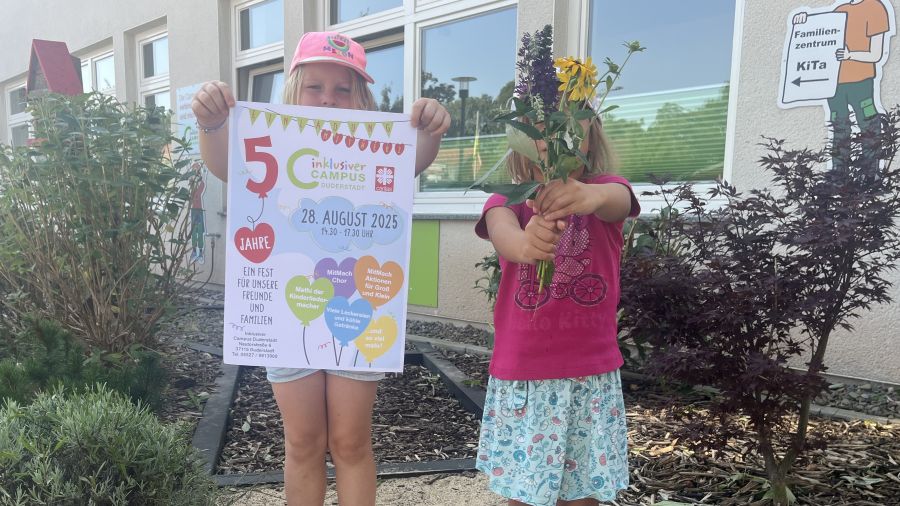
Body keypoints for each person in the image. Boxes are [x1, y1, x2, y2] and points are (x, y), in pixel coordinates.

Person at [191, 31, 450, 506]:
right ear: (294, 90)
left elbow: (415, 159)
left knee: (351, 442)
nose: (328, 98)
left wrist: (430, 129)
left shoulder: (377, 146)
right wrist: (211, 125)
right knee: (303, 443)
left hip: (359, 309)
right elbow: (227, 165)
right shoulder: (269, 136)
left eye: (342, 88)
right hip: (289, 313)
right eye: (315, 86)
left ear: (361, 97)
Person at [473, 111, 639, 505]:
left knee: (585, 493)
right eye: (535, 122)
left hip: (588, 372)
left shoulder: (605, 190)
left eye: (567, 120)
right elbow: (505, 237)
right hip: (526, 375)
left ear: (591, 132)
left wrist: (589, 195)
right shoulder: (507, 202)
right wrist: (527, 245)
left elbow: (618, 201)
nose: (549, 133)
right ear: (520, 138)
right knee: (524, 492)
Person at [794, 0, 892, 170]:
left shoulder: (875, 7)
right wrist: (803, 20)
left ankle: (870, 174)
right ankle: (839, 176)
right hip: (834, 83)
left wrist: (850, 55)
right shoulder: (841, 10)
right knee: (839, 128)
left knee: (868, 124)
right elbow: (819, 35)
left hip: (861, 81)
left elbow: (875, 54)